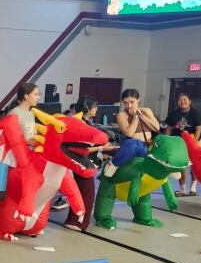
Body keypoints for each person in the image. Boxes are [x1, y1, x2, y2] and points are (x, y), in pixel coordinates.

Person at [63, 96, 116, 231]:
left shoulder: (85, 122)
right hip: (80, 162)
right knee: (86, 193)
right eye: (95, 106)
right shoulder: (80, 123)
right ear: (88, 108)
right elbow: (80, 147)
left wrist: (102, 150)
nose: (97, 109)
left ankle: (75, 220)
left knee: (83, 193)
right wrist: (101, 148)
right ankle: (76, 222)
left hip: (84, 162)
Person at [102, 88, 159, 178]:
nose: (129, 105)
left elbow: (156, 128)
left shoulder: (147, 111)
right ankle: (113, 164)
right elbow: (129, 133)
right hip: (130, 147)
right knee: (134, 143)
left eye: (132, 102)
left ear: (138, 100)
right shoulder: (121, 115)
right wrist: (135, 117)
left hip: (146, 147)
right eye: (125, 103)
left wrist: (140, 115)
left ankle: (170, 168)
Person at [164, 93, 201, 195]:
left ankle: (193, 188)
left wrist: (193, 144)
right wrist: (166, 141)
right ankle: (182, 189)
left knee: (194, 165)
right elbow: (168, 128)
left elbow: (199, 129)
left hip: (194, 141)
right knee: (182, 165)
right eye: (180, 100)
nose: (182, 101)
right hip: (179, 143)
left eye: (185, 99)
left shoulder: (196, 114)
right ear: (177, 102)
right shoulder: (173, 114)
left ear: (190, 101)